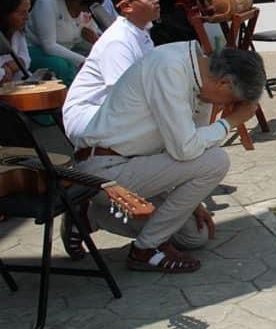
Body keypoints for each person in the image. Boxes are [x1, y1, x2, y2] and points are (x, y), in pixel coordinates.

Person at [72, 43, 265, 272]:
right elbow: (186, 149)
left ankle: (89, 216)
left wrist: (190, 202)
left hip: (138, 166)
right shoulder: (169, 67)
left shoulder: (200, 83)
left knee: (195, 237)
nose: (224, 106)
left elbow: (189, 150)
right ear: (223, 82)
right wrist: (231, 122)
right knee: (216, 161)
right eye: (228, 99)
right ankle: (145, 250)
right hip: (104, 169)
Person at [63, 0, 159, 144]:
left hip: (114, 113)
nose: (156, 1)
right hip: (90, 119)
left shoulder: (142, 33)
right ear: (126, 6)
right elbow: (125, 95)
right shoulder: (118, 41)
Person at [24, 0, 105, 85]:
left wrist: (96, 40)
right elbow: (49, 46)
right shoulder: (47, 2)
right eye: (87, 7)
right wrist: (83, 61)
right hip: (36, 49)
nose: (88, 12)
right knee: (62, 66)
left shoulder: (86, 8)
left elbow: (92, 32)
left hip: (70, 47)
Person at [0, 0, 32, 84]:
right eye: (21, 13)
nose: (27, 17)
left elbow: (26, 59)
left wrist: (11, 66)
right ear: (5, 13)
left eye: (27, 11)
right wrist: (3, 72)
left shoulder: (17, 31)